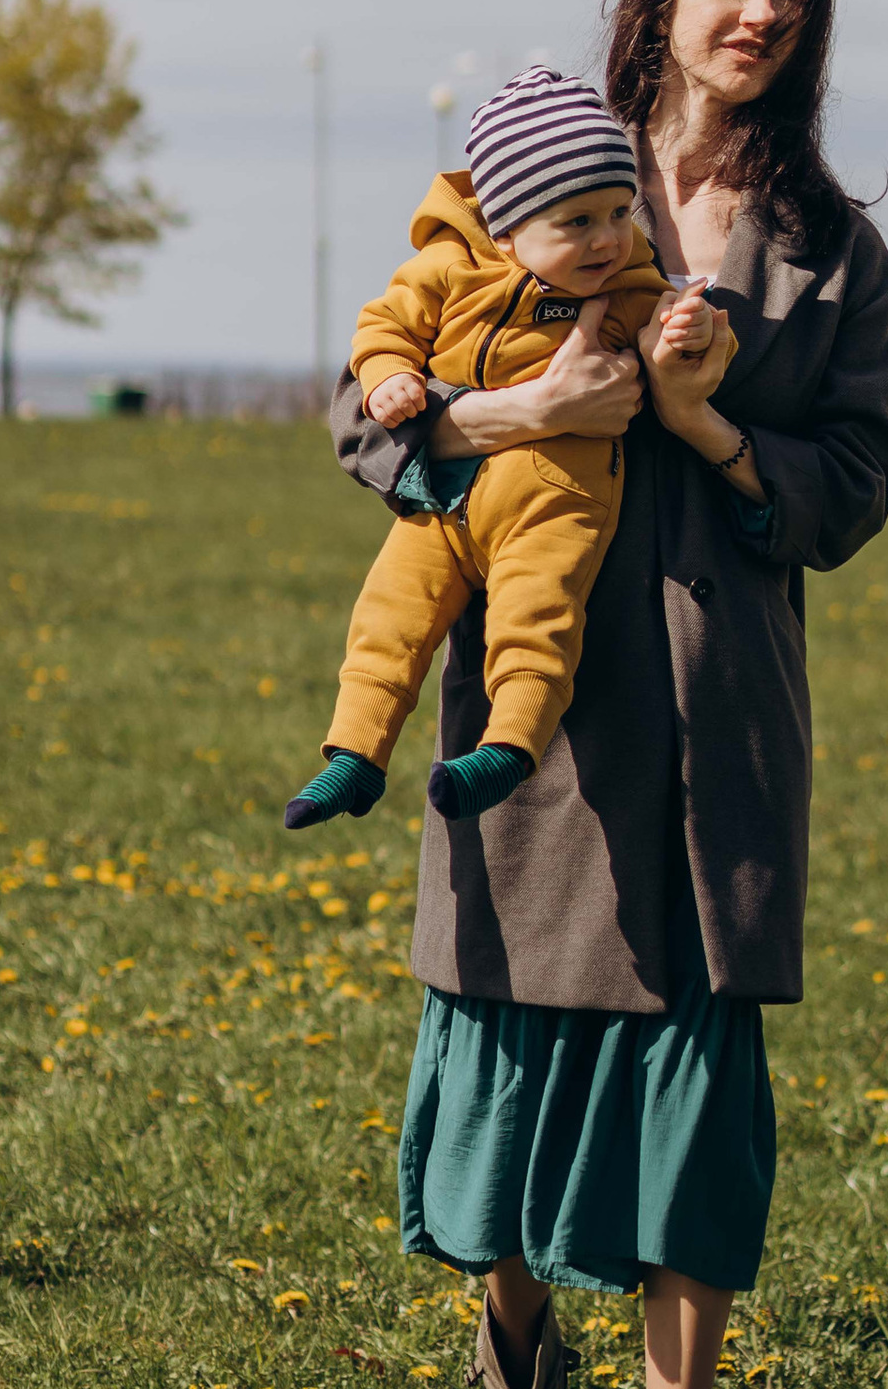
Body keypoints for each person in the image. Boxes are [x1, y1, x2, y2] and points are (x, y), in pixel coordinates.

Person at [331, 0, 888, 1389]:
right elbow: (369, 419)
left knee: (696, 1134)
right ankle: (518, 1370)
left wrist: (705, 427)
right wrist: (525, 412)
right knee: (502, 1100)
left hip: (718, 732)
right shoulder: (524, 172)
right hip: (536, 728)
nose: (762, 15)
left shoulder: (831, 248)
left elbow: (852, 491)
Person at [283, 68, 703, 830]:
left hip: (557, 491)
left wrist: (689, 335)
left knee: (539, 614)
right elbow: (385, 326)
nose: (607, 238)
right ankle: (354, 754)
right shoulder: (448, 269)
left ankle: (510, 744)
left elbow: (683, 344)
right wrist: (388, 378)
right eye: (577, 221)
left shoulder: (627, 284)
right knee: (390, 613)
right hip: (443, 494)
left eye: (618, 211)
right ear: (506, 229)